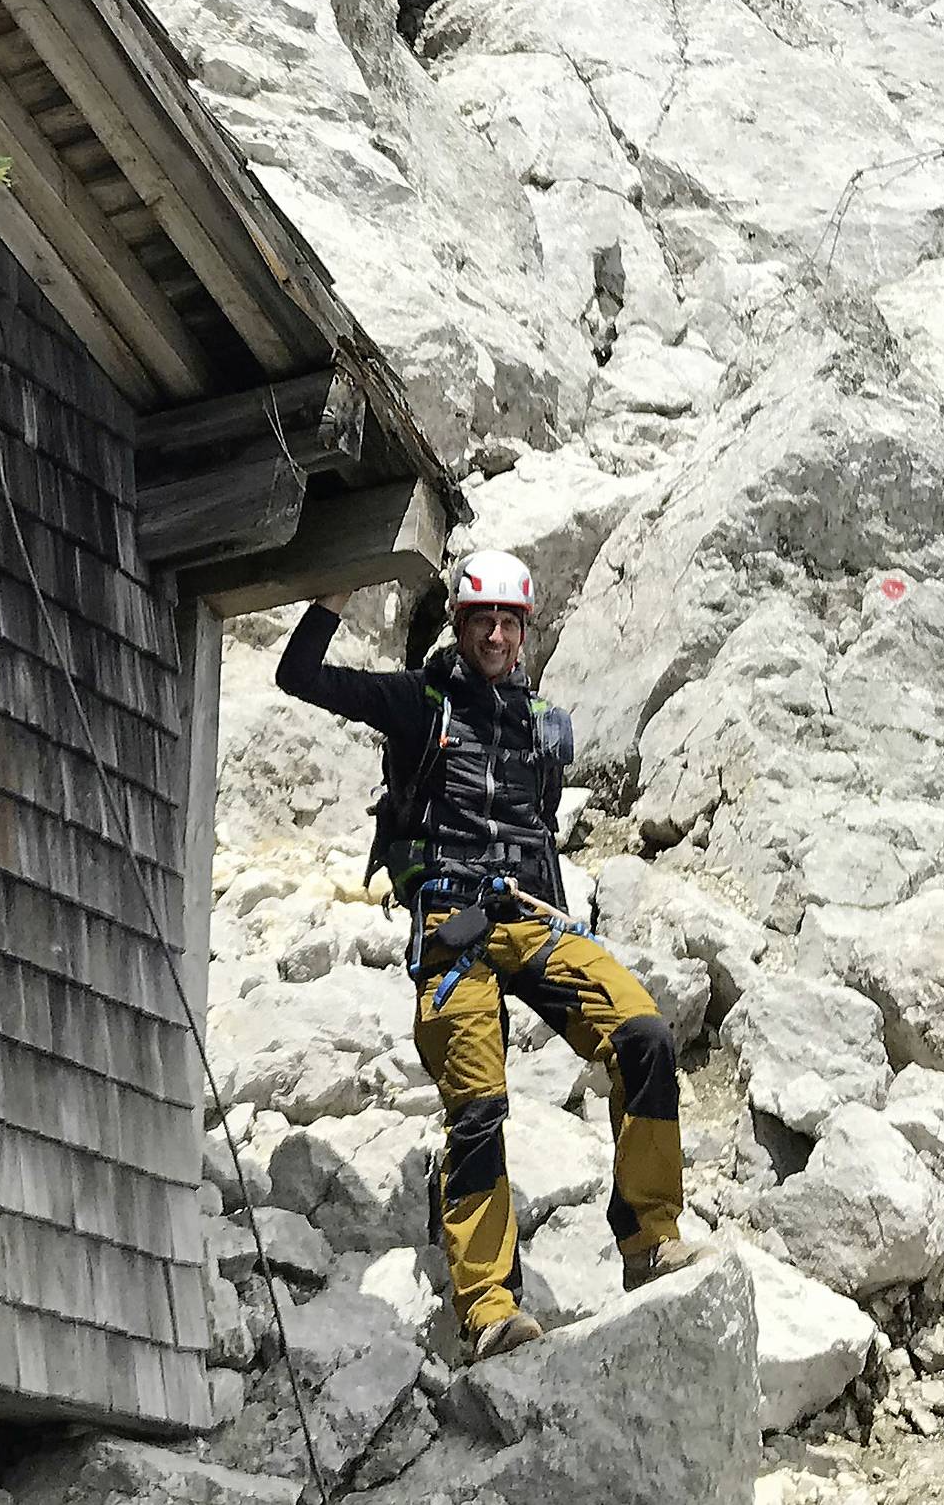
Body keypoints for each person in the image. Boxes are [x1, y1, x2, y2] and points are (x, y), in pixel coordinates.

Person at [275, 551, 706, 1361]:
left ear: (524, 631)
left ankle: (649, 1240)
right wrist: (332, 594)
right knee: (476, 1101)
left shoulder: (544, 727)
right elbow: (298, 676)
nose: (498, 635)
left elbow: (538, 826)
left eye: (510, 622)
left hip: (533, 918)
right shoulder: (418, 704)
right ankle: (488, 1308)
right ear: (462, 627)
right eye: (484, 621)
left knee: (644, 1035)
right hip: (449, 923)